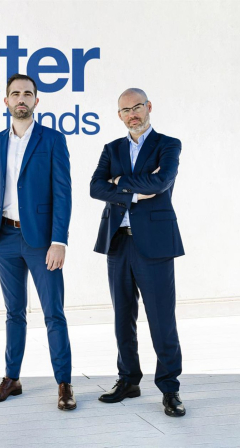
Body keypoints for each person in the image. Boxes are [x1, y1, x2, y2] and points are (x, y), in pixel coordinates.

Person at [90, 88, 186, 417]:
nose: (132, 114)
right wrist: (134, 190)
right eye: (126, 110)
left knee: (161, 319)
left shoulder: (168, 145)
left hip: (155, 244)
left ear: (149, 107)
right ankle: (129, 380)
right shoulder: (111, 148)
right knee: (122, 316)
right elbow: (95, 187)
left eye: (137, 107)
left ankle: (170, 388)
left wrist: (120, 182)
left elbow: (161, 182)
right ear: (119, 115)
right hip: (118, 242)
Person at [0, 74, 75, 411]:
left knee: (53, 313)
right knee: (14, 312)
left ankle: (64, 383)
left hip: (41, 241)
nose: (21, 98)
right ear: (6, 101)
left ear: (36, 100)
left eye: (27, 93)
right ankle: (12, 379)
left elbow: (63, 193)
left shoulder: (53, 139)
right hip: (4, 238)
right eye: (15, 93)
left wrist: (59, 240)